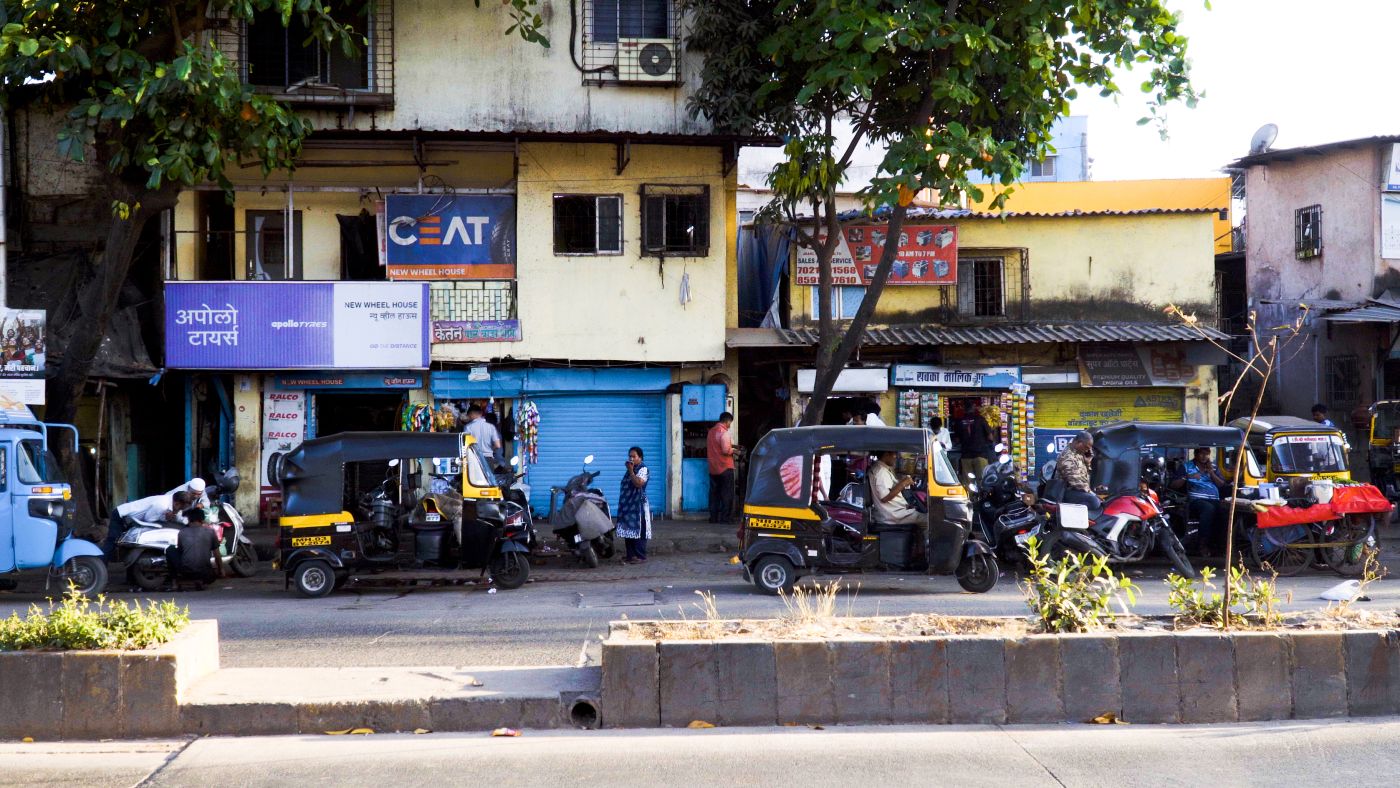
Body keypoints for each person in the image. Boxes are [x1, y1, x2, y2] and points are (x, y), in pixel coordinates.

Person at [104, 490, 194, 560]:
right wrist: (165, 518)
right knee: (111, 543)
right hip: (121, 515)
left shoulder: (173, 502)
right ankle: (99, 568)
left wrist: (190, 523)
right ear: (177, 503)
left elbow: (179, 517)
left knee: (125, 546)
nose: (180, 510)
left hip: (131, 519)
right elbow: (149, 519)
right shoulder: (162, 505)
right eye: (181, 508)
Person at [1171, 447, 1226, 556]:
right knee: (1208, 509)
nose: (1204, 456)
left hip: (1213, 498)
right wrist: (1188, 477)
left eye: (1207, 454)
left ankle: (1220, 545)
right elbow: (1173, 485)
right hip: (1196, 500)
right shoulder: (1186, 467)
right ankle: (1202, 545)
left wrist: (1212, 473)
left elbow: (1221, 484)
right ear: (1196, 454)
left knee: (1224, 510)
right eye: (1202, 453)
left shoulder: (1213, 467)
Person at [615, 447, 653, 564]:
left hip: (638, 505)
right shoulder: (629, 470)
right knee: (628, 530)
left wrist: (631, 471)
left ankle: (640, 556)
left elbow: (638, 483)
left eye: (634, 456)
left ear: (640, 458)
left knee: (640, 529)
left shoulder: (643, 469)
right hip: (628, 504)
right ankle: (630, 556)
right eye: (630, 456)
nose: (631, 459)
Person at [868, 451, 924, 525]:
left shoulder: (882, 468)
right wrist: (903, 484)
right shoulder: (881, 472)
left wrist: (903, 482)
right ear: (886, 454)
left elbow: (890, 487)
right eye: (895, 454)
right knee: (928, 520)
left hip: (894, 511)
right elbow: (884, 497)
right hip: (894, 515)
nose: (896, 457)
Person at [1054, 431, 1099, 509]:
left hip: (1077, 490)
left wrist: (1087, 462)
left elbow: (1082, 472)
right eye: (1086, 447)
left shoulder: (1078, 452)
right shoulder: (1068, 457)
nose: (1087, 450)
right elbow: (1075, 482)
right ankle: (1069, 514)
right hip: (1066, 492)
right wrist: (1092, 493)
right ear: (1079, 443)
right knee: (1094, 502)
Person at [707, 412, 737, 523]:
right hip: (725, 468)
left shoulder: (711, 432)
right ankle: (726, 518)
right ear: (727, 421)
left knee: (714, 494)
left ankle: (713, 518)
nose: (730, 424)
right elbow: (725, 450)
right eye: (730, 422)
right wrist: (735, 451)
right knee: (727, 494)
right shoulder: (724, 433)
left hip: (713, 469)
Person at [958, 405, 995, 479]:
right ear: (974, 409)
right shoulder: (981, 419)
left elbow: (957, 439)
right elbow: (990, 437)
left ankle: (970, 491)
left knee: (968, 482)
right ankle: (983, 491)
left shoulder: (960, 421)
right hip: (980, 455)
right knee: (982, 479)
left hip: (966, 456)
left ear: (964, 410)